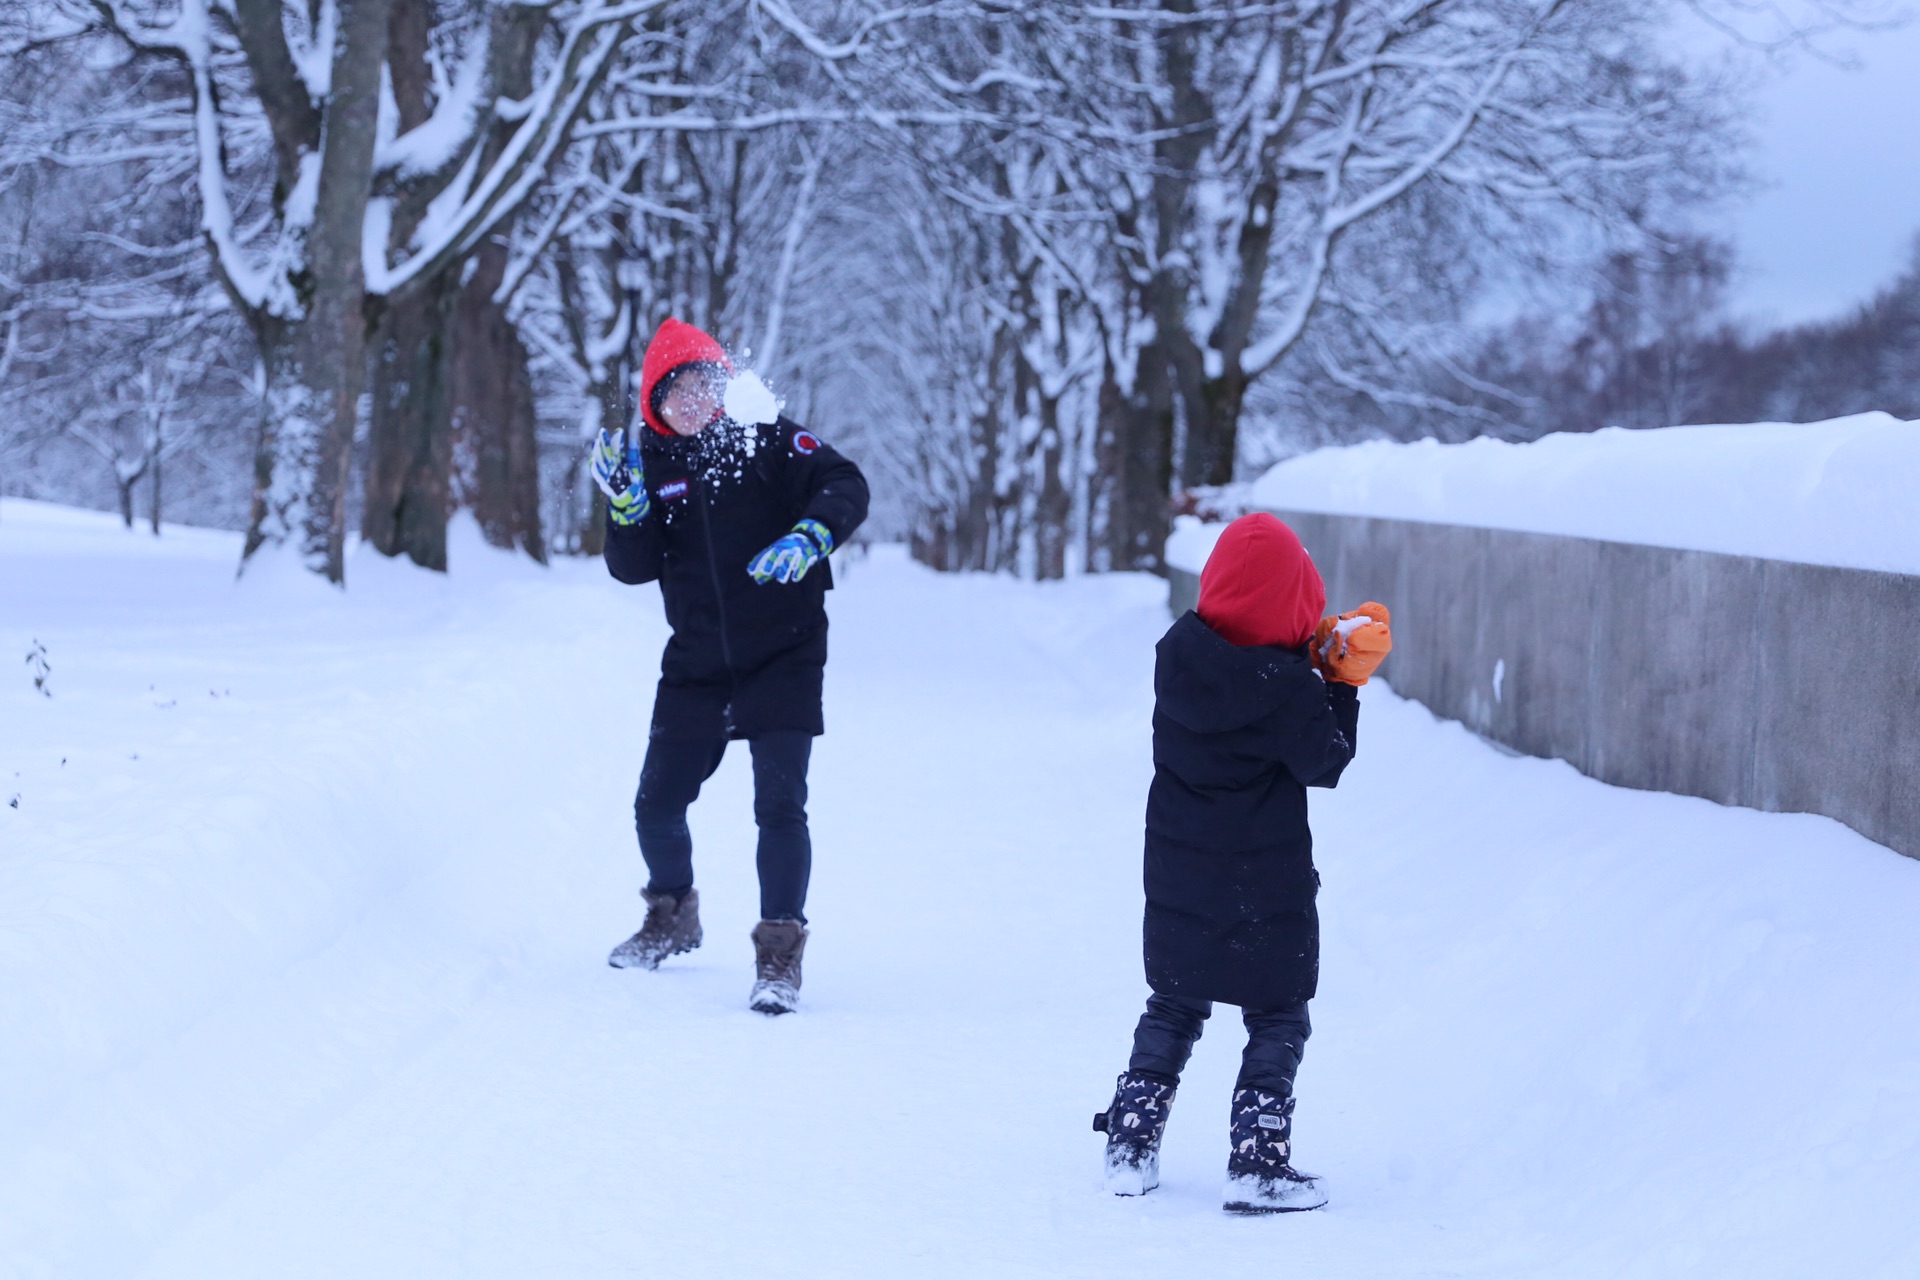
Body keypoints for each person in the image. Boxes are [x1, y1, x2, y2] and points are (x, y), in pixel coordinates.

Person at [1092, 513, 1391, 1213]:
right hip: (1266, 882)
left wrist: (1304, 664)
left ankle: (1130, 1146)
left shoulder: (1179, 656)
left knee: (1173, 1003)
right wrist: (1341, 682)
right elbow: (1326, 761)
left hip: (1177, 871)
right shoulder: (1288, 689)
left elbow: (1245, 680)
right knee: (1279, 1013)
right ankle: (1257, 1162)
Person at [592, 317, 869, 1015]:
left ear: (724, 388)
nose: (692, 401)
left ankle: (779, 956)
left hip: (785, 651)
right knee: (656, 805)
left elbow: (845, 482)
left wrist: (812, 534)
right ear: (655, 402)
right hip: (696, 661)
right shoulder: (649, 463)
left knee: (778, 807)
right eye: (674, 391)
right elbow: (633, 569)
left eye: (703, 386)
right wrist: (626, 511)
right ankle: (671, 915)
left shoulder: (767, 436)